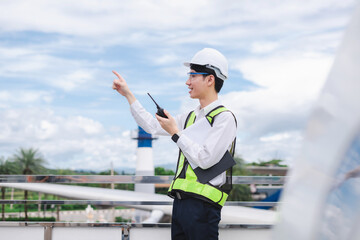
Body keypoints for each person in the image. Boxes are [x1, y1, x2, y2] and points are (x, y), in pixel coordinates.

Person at [112, 48, 237, 240]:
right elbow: (152, 125)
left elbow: (205, 159)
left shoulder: (224, 119)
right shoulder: (190, 117)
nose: (188, 82)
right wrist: (128, 95)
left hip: (204, 207)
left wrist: (176, 133)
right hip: (180, 204)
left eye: (193, 76)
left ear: (210, 79)